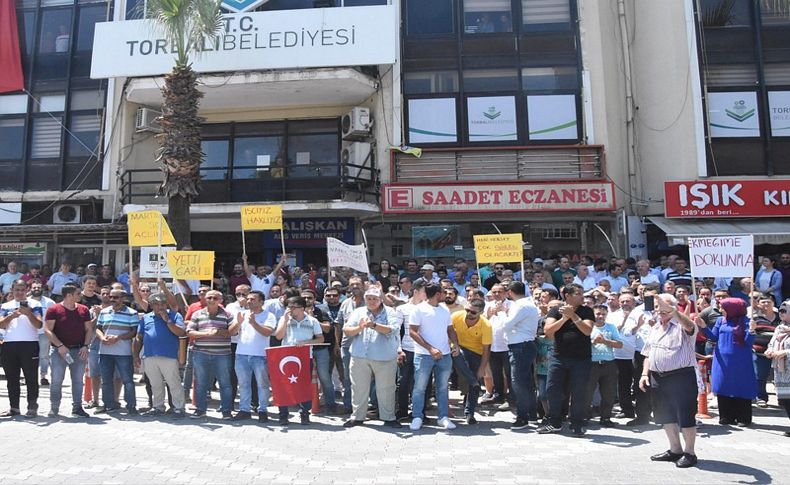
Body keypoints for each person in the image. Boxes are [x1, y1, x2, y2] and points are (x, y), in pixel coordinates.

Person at [640, 294, 699, 468]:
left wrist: (675, 313)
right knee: (665, 415)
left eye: (665, 308)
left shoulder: (683, 325)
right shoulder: (656, 327)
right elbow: (648, 353)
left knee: (686, 416)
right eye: (658, 308)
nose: (661, 312)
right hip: (658, 377)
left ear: (674, 308)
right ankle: (675, 450)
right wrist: (645, 374)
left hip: (681, 376)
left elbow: (689, 326)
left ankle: (690, 453)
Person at [539, 283, 594, 437]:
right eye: (578, 294)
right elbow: (548, 332)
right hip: (558, 357)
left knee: (578, 392)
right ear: (567, 296)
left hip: (581, 359)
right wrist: (564, 318)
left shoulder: (587, 310)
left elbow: (587, 331)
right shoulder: (555, 310)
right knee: (552, 389)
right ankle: (554, 422)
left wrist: (574, 316)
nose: (583, 296)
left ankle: (577, 424)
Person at [343, 287, 401, 428]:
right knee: (358, 388)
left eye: (375, 298)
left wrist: (374, 325)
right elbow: (347, 330)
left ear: (381, 299)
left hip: (385, 357)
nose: (372, 301)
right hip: (359, 356)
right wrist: (360, 328)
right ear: (365, 299)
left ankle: (389, 417)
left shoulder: (391, 312)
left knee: (386, 388)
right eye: (369, 298)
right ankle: (357, 417)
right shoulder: (358, 312)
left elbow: (392, 330)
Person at [408, 282, 461, 431]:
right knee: (419, 388)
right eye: (443, 292)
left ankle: (443, 417)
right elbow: (412, 332)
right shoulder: (419, 309)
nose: (446, 295)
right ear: (438, 294)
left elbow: (450, 329)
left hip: (444, 355)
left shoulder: (445, 310)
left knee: (443, 388)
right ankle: (417, 416)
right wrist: (430, 349)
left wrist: (455, 345)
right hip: (424, 355)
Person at [698, 298, 757, 426]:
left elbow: (748, 342)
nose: (720, 310)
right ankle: (726, 416)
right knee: (723, 386)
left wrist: (752, 331)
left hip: (741, 361)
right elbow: (713, 337)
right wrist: (703, 326)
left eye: (723, 308)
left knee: (741, 387)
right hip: (721, 361)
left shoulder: (747, 321)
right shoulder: (721, 320)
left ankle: (743, 417)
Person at [490, 281, 539, 430]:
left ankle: (522, 417)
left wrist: (499, 312)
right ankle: (531, 415)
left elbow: (506, 325)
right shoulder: (526, 304)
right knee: (526, 383)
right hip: (523, 345)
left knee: (519, 383)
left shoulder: (521, 305)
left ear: (510, 292)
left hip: (520, 347)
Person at [132, 292, 187, 418]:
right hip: (150, 356)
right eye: (156, 304)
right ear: (151, 305)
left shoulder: (175, 315)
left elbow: (181, 332)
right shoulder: (146, 318)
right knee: (155, 384)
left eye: (162, 303)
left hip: (169, 355)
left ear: (166, 304)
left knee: (174, 383)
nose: (160, 306)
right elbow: (139, 337)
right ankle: (158, 407)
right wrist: (136, 355)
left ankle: (179, 408)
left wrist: (167, 320)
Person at [44, 285, 94, 418]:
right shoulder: (54, 309)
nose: (81, 295)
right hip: (58, 351)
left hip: (79, 349)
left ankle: (77, 408)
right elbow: (48, 330)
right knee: (56, 380)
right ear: (69, 295)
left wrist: (85, 346)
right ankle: (54, 408)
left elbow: (89, 329)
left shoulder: (84, 309)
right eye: (78, 293)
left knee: (78, 380)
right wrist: (59, 346)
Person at [273, 296, 324, 425]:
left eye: (292, 307)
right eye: (288, 307)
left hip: (305, 356)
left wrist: (306, 342)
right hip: (286, 355)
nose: (289, 310)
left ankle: (304, 413)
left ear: (302, 308)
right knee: (284, 386)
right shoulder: (284, 319)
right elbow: (279, 336)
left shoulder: (312, 321)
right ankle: (283, 415)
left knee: (304, 386)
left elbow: (320, 339)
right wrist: (284, 320)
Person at [187, 289, 236, 419]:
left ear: (221, 300)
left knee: (225, 383)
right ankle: (200, 409)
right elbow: (190, 332)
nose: (211, 300)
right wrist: (207, 334)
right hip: (200, 353)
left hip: (222, 354)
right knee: (200, 383)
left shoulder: (228, 315)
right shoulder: (197, 314)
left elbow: (233, 332)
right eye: (209, 297)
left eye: (215, 298)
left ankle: (226, 410)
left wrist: (220, 331)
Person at [0, 280, 44, 417]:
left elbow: (39, 325)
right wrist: (11, 316)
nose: (19, 293)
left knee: (31, 377)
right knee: (12, 378)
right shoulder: (6, 306)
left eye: (22, 290)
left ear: (27, 290)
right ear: (12, 290)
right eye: (17, 290)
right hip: (9, 344)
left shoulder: (35, 304)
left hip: (29, 344)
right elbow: (1, 325)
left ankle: (32, 406)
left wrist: (28, 313)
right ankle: (14, 407)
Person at [231, 290, 276, 422]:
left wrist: (254, 323)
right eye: (248, 299)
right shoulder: (242, 314)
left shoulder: (269, 315)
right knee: (243, 384)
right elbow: (232, 332)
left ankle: (262, 410)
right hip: (241, 354)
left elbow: (267, 332)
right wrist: (238, 323)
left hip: (259, 355)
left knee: (262, 384)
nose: (249, 301)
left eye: (252, 299)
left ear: (261, 302)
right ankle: (244, 410)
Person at [95, 288, 139, 415]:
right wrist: (102, 337)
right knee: (106, 380)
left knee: (128, 380)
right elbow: (98, 329)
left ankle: (131, 406)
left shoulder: (132, 313)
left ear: (123, 298)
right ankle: (108, 405)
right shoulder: (104, 312)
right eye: (111, 297)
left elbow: (134, 332)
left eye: (116, 297)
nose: (112, 299)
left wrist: (118, 338)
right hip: (105, 351)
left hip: (123, 352)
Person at [450, 298, 491, 425]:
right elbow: (449, 331)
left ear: (481, 312)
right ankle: (473, 381)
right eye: (467, 310)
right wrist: (455, 344)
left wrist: (482, 368)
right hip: (459, 348)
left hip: (476, 353)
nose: (468, 314)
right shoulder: (456, 316)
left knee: (475, 379)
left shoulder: (486, 325)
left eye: (473, 313)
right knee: (458, 354)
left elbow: (486, 349)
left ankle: (470, 413)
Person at [586, 305, 623, 426]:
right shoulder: (587, 327)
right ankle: (584, 416)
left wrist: (605, 341)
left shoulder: (611, 327)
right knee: (587, 392)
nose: (600, 316)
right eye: (598, 314)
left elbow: (619, 344)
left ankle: (606, 417)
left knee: (609, 393)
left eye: (603, 314)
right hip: (591, 364)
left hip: (609, 363)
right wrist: (593, 342)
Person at [765, 299, 790, 436]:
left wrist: (785, 352)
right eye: (780, 310)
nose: (781, 313)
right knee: (786, 400)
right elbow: (772, 343)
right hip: (781, 371)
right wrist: (770, 350)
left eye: (784, 311)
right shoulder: (779, 328)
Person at [29, 282, 56, 386]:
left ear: (42, 289)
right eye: (34, 287)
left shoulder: (50, 302)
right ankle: (28, 376)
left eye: (38, 287)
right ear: (30, 289)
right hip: (29, 333)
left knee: (44, 355)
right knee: (27, 356)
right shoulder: (25, 301)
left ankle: (43, 376)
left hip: (44, 332)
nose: (36, 289)